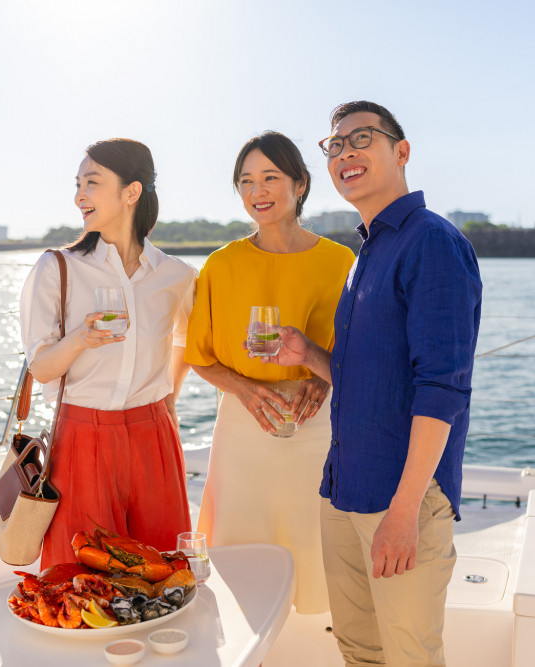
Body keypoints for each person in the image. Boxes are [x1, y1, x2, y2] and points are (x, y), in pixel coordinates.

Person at [260, 102, 482, 665]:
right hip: (344, 490)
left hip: (398, 499)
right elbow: (368, 381)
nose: (345, 153)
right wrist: (308, 354)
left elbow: (441, 389)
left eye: (362, 139)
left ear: (400, 152)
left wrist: (404, 512)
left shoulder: (431, 241)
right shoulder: (368, 252)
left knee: (409, 656)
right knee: (360, 651)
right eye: (334, 146)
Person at [185, 131, 356, 614]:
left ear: (300, 184)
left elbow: (355, 356)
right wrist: (244, 389)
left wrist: (319, 376)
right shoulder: (221, 265)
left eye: (270, 178)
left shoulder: (340, 262)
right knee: (240, 560)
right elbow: (200, 356)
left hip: (315, 427)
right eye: (246, 181)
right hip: (243, 430)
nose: (257, 192)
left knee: (318, 558)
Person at [19, 138, 196, 569]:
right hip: (82, 438)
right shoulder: (56, 268)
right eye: (78, 184)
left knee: (163, 575)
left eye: (92, 182)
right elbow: (41, 370)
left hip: (155, 438)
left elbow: (187, 341)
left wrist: (167, 400)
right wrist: (81, 336)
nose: (80, 195)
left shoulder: (177, 275)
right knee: (78, 581)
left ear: (131, 192)